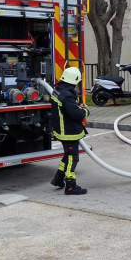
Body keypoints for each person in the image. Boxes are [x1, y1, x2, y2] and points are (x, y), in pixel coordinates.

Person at [50, 66, 89, 195]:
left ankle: (58, 179)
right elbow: (75, 113)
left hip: (62, 130)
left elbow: (66, 109)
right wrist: (85, 111)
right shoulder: (67, 95)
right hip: (69, 132)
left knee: (67, 155)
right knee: (73, 158)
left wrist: (76, 106)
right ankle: (70, 186)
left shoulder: (58, 90)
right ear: (74, 81)